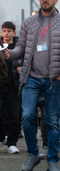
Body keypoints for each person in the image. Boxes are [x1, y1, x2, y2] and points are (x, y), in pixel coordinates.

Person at [2, 0, 60, 171]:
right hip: (31, 77)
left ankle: (52, 160)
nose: (45, 0)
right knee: (26, 116)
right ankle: (33, 154)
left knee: (51, 119)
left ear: (56, 0)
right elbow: (21, 49)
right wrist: (10, 54)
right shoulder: (29, 23)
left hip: (53, 79)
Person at [0, 22, 21, 154]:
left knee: (15, 115)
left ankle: (12, 143)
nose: (6, 33)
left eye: (9, 31)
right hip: (0, 85)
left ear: (14, 32)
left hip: (14, 86)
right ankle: (2, 137)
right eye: (4, 31)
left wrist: (22, 69)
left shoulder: (19, 47)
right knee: (1, 114)